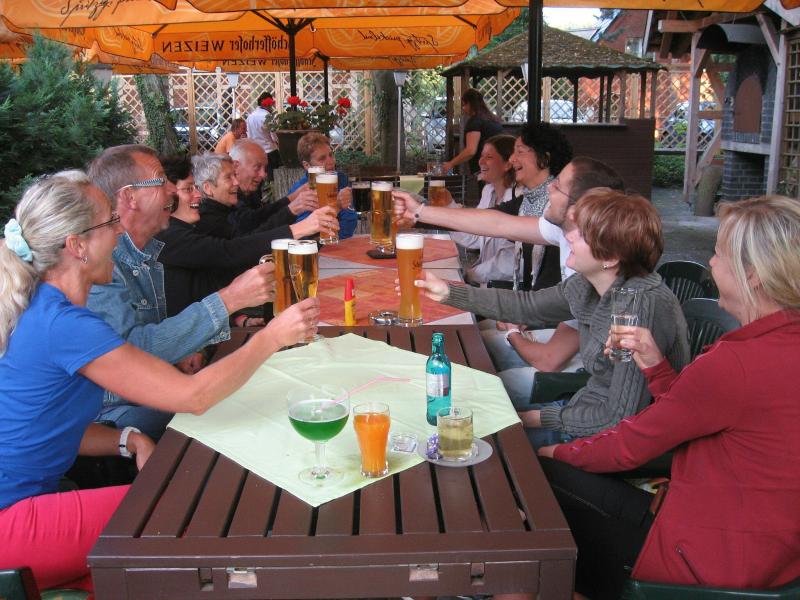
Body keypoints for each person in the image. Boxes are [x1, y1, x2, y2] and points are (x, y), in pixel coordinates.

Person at [0, 171, 317, 593]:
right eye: (110, 222)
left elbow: (45, 426)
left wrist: (125, 438)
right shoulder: (63, 323)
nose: (119, 232)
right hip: (11, 521)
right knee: (183, 512)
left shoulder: (42, 307)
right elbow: (195, 396)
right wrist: (272, 337)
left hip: (26, 505)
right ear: (77, 246)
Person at [538, 195, 800, 598]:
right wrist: (656, 368)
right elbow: (700, 414)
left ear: (753, 275)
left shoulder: (737, 363)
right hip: (773, 558)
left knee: (534, 485)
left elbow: (627, 447)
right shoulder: (777, 346)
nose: (711, 263)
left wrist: (552, 452)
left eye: (718, 254)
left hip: (700, 564)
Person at [413, 189, 690, 448]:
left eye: (581, 234)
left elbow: (619, 418)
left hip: (609, 440)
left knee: (471, 439)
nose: (569, 237)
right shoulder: (591, 284)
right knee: (465, 423)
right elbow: (528, 306)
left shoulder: (638, 309)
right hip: (582, 411)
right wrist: (449, 292)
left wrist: (533, 419)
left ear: (611, 257)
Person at [86, 144, 276, 440]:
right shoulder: (101, 262)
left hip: (148, 390)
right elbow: (132, 354)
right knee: (232, 413)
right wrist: (231, 299)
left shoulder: (147, 250)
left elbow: (153, 334)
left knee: (251, 398)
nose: (172, 190)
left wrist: (184, 350)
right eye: (161, 181)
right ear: (129, 197)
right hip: (109, 413)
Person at [155, 154, 335, 318]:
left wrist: (238, 320)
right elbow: (230, 252)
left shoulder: (187, 227)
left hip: (221, 323)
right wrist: (299, 227)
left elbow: (206, 284)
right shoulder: (171, 235)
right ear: (167, 196)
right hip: (202, 336)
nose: (197, 194)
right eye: (189, 189)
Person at [206, 138, 319, 238]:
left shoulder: (250, 193)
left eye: (264, 168)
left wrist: (292, 200)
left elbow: (260, 219)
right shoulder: (221, 205)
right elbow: (249, 237)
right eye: (257, 167)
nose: (263, 174)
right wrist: (292, 209)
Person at [449, 134, 517, 285]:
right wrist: (448, 206)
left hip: (506, 289)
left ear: (507, 164)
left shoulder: (517, 198)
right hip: (485, 282)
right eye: (481, 156)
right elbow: (475, 236)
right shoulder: (488, 191)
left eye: (489, 157)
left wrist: (471, 275)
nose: (480, 161)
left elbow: (510, 262)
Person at [287, 132, 358, 240]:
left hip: (340, 243)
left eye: (331, 155)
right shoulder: (300, 192)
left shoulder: (341, 179)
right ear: (307, 165)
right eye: (322, 159)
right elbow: (305, 235)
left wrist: (339, 241)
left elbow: (350, 219)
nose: (331, 162)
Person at [442, 88, 504, 176]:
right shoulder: (493, 119)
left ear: (470, 104)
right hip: (499, 166)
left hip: (484, 169)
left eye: (464, 105)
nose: (463, 109)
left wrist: (450, 164)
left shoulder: (475, 122)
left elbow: (470, 151)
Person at [246, 91, 280, 180]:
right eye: (271, 104)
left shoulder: (250, 116)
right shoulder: (267, 116)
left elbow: (249, 134)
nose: (272, 106)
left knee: (259, 177)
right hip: (270, 151)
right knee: (273, 178)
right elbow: (274, 136)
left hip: (256, 151)